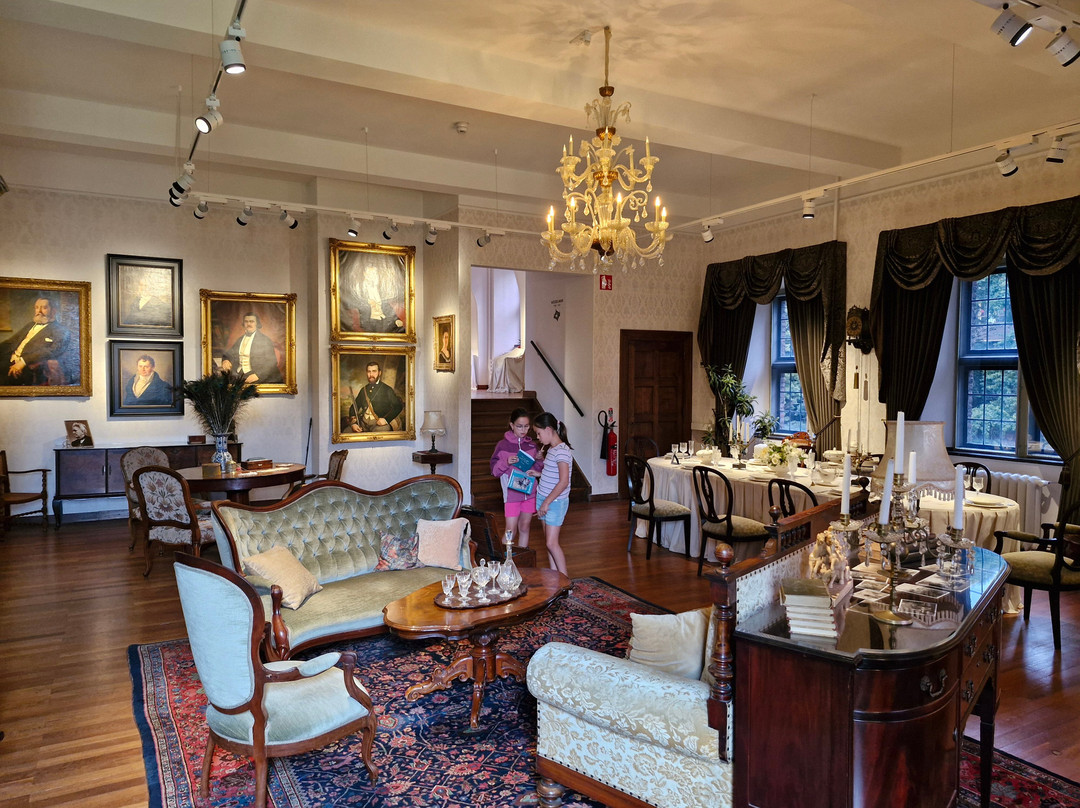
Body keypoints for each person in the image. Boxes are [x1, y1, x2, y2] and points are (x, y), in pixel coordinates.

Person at [489, 408, 544, 549]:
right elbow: (494, 471)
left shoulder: (532, 445)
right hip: (512, 495)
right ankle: (504, 559)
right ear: (512, 425)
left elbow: (539, 470)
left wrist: (539, 459)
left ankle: (521, 558)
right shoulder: (502, 446)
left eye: (526, 426)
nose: (523, 430)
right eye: (519, 426)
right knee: (510, 530)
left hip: (530, 493)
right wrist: (506, 462)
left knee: (525, 527)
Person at [533, 411, 573, 575]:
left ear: (549, 429)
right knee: (548, 542)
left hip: (554, 503)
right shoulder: (552, 449)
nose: (538, 437)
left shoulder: (562, 451)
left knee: (551, 543)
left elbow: (563, 482)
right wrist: (538, 472)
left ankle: (565, 580)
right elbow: (552, 473)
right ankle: (554, 577)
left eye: (538, 433)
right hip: (544, 498)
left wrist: (546, 503)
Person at [3, 294, 71, 386]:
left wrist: (23, 361)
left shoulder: (60, 330)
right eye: (37, 308)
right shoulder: (30, 325)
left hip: (29, 367)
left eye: (44, 308)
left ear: (53, 311)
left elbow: (52, 351)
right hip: (9, 359)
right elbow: (11, 342)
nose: (39, 311)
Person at [220, 312, 283, 384]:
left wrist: (258, 375)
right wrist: (225, 360)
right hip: (239, 374)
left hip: (258, 374)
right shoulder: (240, 340)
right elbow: (229, 354)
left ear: (257, 324)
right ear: (244, 324)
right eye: (246, 322)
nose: (248, 324)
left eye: (251, 321)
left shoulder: (265, 340)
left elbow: (272, 362)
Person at [353, 360, 404, 432]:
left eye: (374, 371)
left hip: (379, 424)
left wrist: (386, 420)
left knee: (378, 432)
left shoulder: (387, 389)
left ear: (379, 373)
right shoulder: (363, 389)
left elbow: (398, 406)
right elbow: (354, 406)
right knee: (347, 431)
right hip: (362, 424)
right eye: (369, 371)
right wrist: (354, 424)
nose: (371, 374)